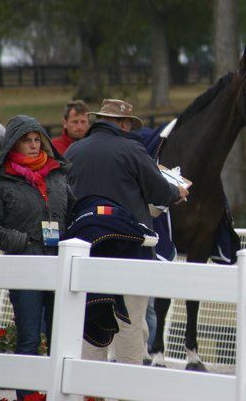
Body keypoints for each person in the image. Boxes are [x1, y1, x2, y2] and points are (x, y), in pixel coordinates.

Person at [65, 99, 187, 368]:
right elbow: (158, 191)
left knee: (91, 322)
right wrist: (176, 192)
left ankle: (89, 390)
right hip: (130, 249)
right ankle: (126, 389)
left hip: (86, 250)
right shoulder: (132, 149)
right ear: (122, 123)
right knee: (130, 322)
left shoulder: (74, 151)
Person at [0, 115, 71, 401]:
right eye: (26, 141)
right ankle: (28, 398)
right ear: (14, 145)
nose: (33, 146)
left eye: (36, 140)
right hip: (25, 267)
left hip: (60, 266)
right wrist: (23, 241)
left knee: (61, 341)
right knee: (29, 339)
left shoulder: (58, 176)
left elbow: (73, 214)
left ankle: (60, 396)